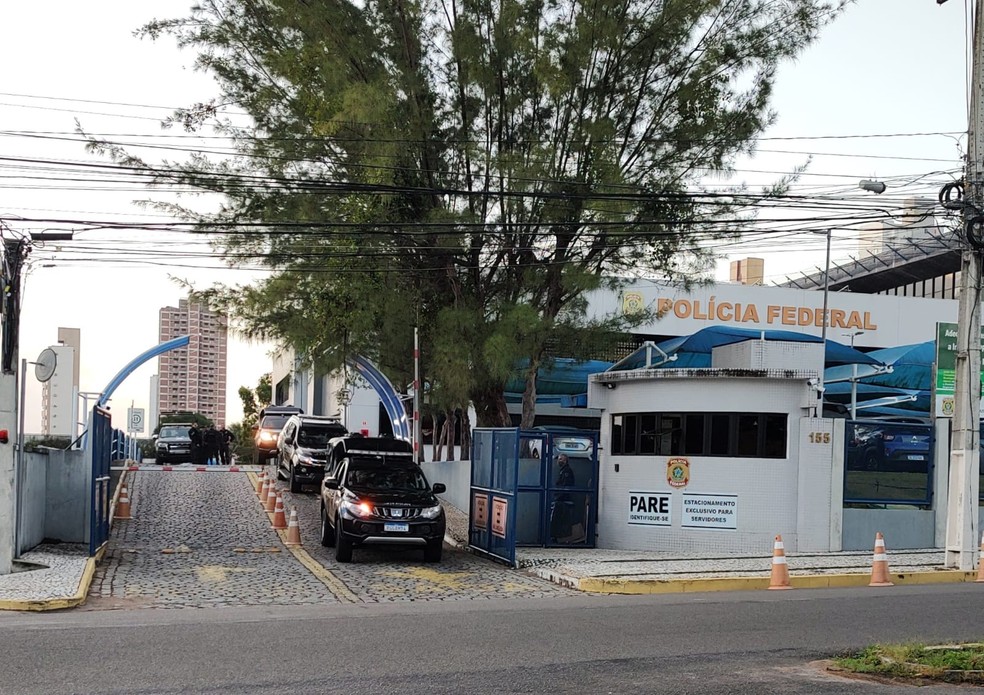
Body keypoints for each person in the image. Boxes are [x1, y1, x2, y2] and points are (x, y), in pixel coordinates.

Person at [550, 454, 576, 543]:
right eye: (558, 459)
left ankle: (557, 538)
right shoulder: (563, 471)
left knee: (558, 520)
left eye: (561, 459)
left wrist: (558, 497)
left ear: (565, 461)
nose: (558, 461)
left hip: (563, 500)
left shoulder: (566, 471)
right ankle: (556, 537)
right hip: (562, 499)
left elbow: (565, 486)